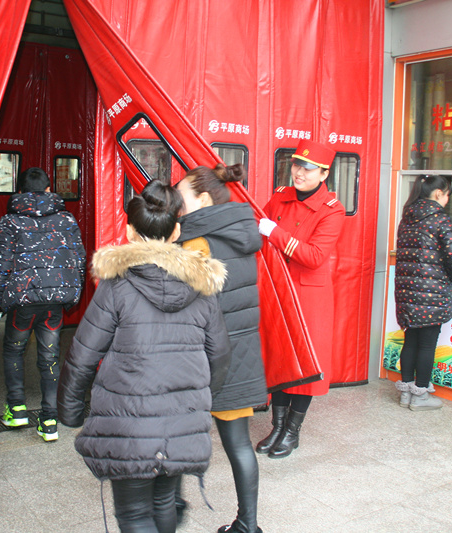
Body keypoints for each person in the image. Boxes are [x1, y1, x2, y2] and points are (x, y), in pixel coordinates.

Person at [57, 180, 232, 533]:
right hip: (182, 421)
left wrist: (70, 411)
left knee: (135, 514)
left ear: (129, 231)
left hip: (127, 424)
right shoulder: (202, 286)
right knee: (164, 502)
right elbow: (220, 354)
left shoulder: (117, 285)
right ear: (176, 231)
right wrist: (197, 400)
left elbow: (83, 354)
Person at [175, 164, 266, 533]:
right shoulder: (240, 229)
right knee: (239, 443)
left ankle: (171, 506)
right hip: (239, 353)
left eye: (181, 198)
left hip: (201, 355)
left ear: (203, 199)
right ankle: (248, 525)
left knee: (175, 433)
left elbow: (180, 302)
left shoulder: (197, 241)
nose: (177, 205)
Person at [256, 139, 344, 458]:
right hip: (278, 290)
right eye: (296, 165)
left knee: (305, 364)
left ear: (324, 174)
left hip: (308, 297)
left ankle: (292, 432)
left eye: (308, 168)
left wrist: (274, 233)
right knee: (281, 359)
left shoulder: (332, 210)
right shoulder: (281, 196)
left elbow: (314, 256)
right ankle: (277, 427)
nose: (299, 173)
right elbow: (258, 230)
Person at [0, 167, 86, 442]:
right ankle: (49, 420)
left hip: (23, 302)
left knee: (13, 350)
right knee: (49, 357)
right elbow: (79, 258)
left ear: (20, 192)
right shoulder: (66, 218)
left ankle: (16, 408)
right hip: (54, 302)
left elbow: (2, 263)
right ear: (50, 190)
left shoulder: (11, 221)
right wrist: (73, 293)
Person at [394, 175, 452, 411]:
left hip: (407, 292)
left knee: (411, 340)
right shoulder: (438, 218)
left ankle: (406, 393)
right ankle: (420, 395)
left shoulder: (407, 217)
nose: (447, 199)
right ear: (438, 193)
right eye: (447, 195)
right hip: (431, 292)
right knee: (427, 344)